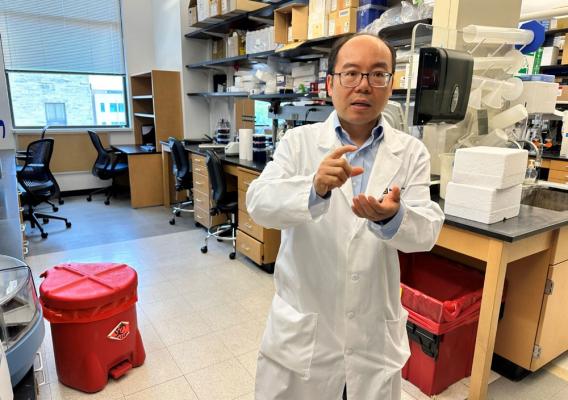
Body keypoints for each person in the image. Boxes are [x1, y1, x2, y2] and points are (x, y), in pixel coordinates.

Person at [247, 33, 445, 400]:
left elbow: (427, 231)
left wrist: (393, 218)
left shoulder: (411, 152)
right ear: (330, 83)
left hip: (372, 336)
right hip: (305, 335)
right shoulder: (298, 143)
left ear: (391, 84)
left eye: (377, 75)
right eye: (351, 74)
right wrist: (314, 188)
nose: (363, 86)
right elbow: (258, 203)